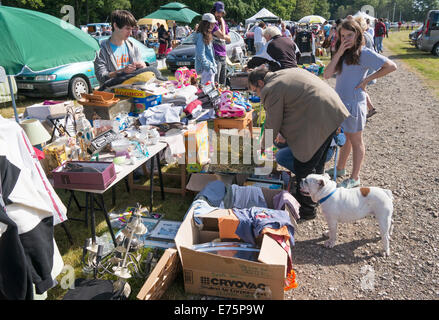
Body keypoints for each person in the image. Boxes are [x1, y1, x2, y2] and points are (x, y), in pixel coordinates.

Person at [248, 66, 350, 220]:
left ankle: (306, 210)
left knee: (304, 165)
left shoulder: (271, 88)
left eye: (255, 90)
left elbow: (272, 123)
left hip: (320, 117)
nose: (256, 94)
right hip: (331, 111)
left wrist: (262, 147)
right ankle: (316, 198)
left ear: (261, 83)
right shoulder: (282, 73)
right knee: (318, 163)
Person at [323, 19, 397, 188]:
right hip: (340, 103)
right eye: (343, 35)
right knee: (346, 138)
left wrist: (367, 80)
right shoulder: (342, 53)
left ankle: (355, 177)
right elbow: (327, 74)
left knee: (356, 140)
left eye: (350, 34)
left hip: (355, 103)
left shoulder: (364, 53)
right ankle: (341, 168)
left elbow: (391, 66)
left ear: (358, 34)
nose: (346, 38)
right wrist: (339, 52)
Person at [94, 10, 166, 87]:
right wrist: (122, 71)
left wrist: (143, 66)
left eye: (131, 29)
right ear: (115, 26)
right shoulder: (101, 49)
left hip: (133, 93)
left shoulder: (133, 47)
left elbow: (138, 74)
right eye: (127, 29)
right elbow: (101, 77)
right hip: (112, 96)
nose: (130, 33)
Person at [355, 16, 378, 118]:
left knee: (360, 88)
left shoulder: (362, 37)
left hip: (364, 66)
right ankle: (371, 108)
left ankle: (368, 108)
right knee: (362, 88)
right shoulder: (368, 35)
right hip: (368, 65)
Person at [211, 1, 231, 87]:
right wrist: (222, 22)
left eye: (221, 13)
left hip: (223, 55)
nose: (220, 15)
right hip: (215, 55)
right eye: (218, 12)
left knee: (223, 82)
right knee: (216, 82)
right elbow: (223, 36)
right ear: (213, 12)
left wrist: (223, 36)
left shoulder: (224, 24)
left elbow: (229, 39)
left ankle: (223, 99)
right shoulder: (212, 24)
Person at [195, 13, 217, 85]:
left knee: (210, 91)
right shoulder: (201, 35)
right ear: (206, 24)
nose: (213, 25)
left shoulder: (207, 35)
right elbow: (200, 54)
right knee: (207, 92)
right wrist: (208, 67)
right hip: (206, 69)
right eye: (212, 24)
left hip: (209, 68)